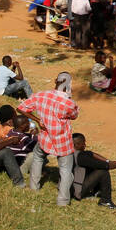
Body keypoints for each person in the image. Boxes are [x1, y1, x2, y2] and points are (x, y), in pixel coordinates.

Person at [19, 73, 80, 206]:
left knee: (38, 158)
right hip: (62, 140)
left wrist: (37, 120)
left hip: (45, 138)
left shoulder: (41, 95)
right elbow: (74, 115)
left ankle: (34, 188)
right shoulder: (68, 103)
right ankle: (63, 201)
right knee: (65, 170)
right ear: (69, 85)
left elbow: (22, 108)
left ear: (55, 81)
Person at [69, 133, 116, 208]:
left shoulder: (70, 152)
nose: (85, 145)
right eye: (83, 143)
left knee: (95, 167)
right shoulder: (81, 158)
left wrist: (109, 161)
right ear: (76, 145)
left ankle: (97, 191)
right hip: (76, 191)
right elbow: (102, 165)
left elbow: (91, 154)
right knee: (103, 172)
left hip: (69, 188)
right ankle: (105, 201)